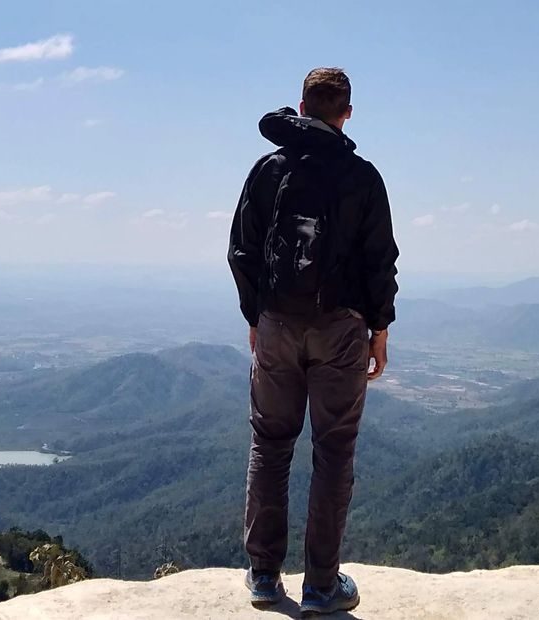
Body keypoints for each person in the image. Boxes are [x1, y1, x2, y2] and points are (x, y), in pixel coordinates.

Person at [227, 67, 399, 615]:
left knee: (270, 444)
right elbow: (380, 260)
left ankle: (262, 576)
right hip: (342, 330)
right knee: (334, 452)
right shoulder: (363, 176)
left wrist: (256, 314)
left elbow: (242, 249)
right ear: (347, 112)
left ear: (302, 106)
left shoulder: (270, 168)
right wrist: (380, 328)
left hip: (277, 321)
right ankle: (322, 586)